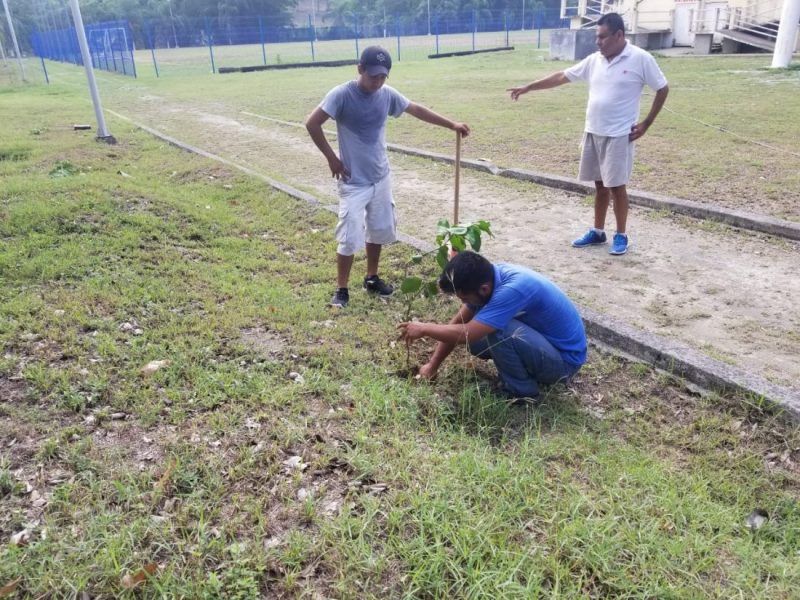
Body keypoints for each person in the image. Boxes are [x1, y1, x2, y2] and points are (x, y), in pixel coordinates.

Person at [306, 46, 471, 307]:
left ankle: (372, 277)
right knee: (349, 236)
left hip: (381, 177)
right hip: (353, 181)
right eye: (373, 76)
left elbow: (415, 109)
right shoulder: (341, 95)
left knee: (379, 230)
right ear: (360, 69)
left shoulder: (386, 95)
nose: (378, 82)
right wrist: (332, 158)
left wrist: (451, 124)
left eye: (383, 77)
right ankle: (342, 289)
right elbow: (312, 123)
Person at [507, 12, 669, 256]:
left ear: (619, 35)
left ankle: (621, 235)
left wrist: (646, 123)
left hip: (618, 135)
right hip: (593, 131)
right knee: (600, 185)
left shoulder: (640, 58)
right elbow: (562, 76)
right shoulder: (595, 60)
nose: (598, 42)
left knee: (617, 186)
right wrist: (528, 87)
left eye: (602, 37)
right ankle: (598, 231)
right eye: (596, 37)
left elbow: (662, 88)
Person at [398, 251, 587, 399]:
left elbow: (467, 332)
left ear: (484, 289)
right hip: (545, 345)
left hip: (564, 363)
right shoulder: (488, 279)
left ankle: (522, 392)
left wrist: (424, 328)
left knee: (499, 331)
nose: (463, 302)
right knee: (475, 336)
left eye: (464, 298)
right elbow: (459, 325)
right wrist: (432, 366)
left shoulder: (512, 289)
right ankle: (521, 372)